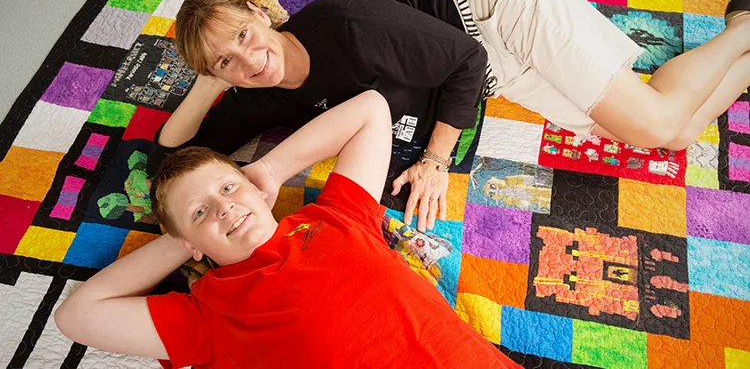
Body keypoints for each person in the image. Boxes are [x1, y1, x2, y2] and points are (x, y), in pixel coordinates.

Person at [151, 0, 750, 232]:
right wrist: (203, 86)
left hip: (489, 2)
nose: (249, 62)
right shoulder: (263, 92)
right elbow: (170, 155)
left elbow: (464, 60)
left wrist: (437, 159)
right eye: (226, 64)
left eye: (246, 38)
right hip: (485, 60)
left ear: (263, 12)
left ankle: (743, 26)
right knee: (675, 131)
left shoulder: (347, 23)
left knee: (655, 126)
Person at [55, 91, 520, 369]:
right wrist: (182, 240)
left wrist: (270, 172)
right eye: (200, 212)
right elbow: (76, 317)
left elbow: (372, 109)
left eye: (227, 187)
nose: (223, 208)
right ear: (189, 245)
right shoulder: (212, 314)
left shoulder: (335, 215)